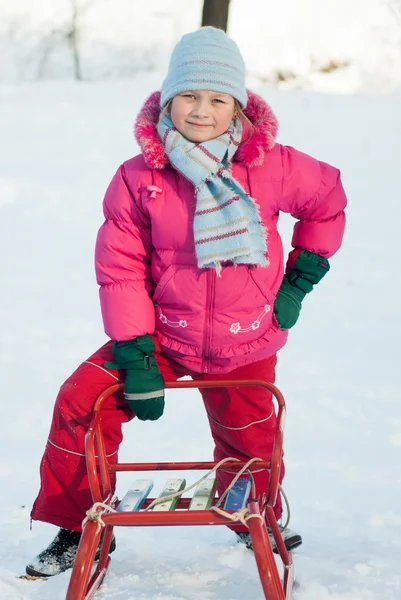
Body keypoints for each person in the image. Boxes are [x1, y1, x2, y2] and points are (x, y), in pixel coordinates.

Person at [26, 26, 347, 577]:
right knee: (82, 402)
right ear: (168, 101)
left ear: (238, 107)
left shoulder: (273, 165)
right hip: (164, 338)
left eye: (217, 99)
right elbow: (120, 270)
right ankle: (80, 524)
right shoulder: (139, 178)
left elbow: (328, 200)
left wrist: (300, 278)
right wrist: (136, 354)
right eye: (189, 97)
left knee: (252, 438)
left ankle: (254, 512)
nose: (202, 111)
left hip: (247, 339)